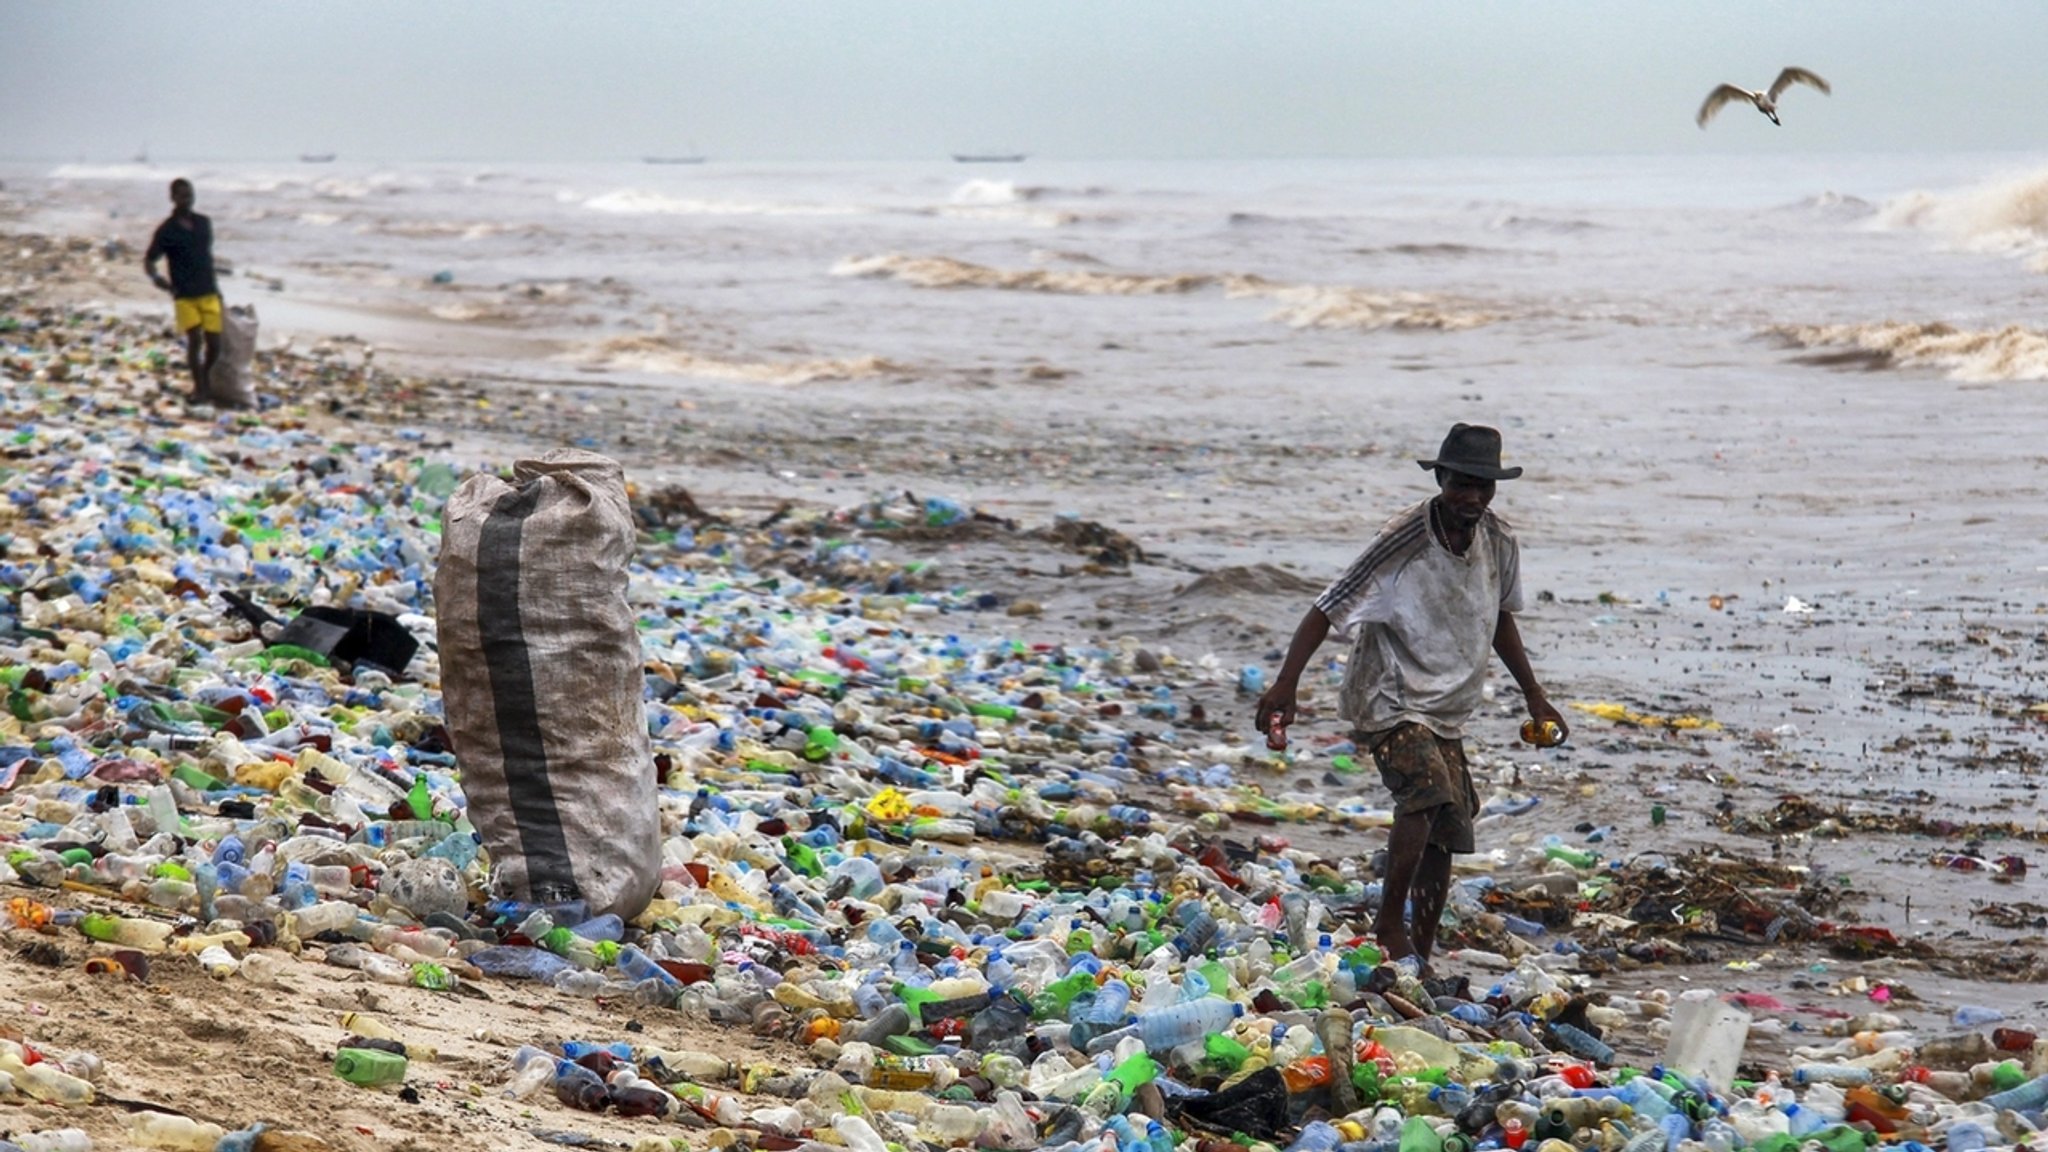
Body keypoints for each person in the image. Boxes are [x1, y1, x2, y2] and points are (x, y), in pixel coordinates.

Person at [1255, 422, 1566, 970]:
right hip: (1389, 694)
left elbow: (1499, 620)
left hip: (1447, 706)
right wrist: (1286, 684)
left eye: (1483, 487)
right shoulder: (1407, 536)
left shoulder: (1499, 541)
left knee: (1450, 826)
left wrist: (1535, 696)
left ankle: (1418, 953)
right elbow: (1328, 606)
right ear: (1441, 478)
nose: (1471, 497)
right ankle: (1388, 925)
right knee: (1424, 792)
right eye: (1461, 484)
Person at [143, 178, 222, 403]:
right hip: (184, 294)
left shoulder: (204, 223)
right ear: (173, 198)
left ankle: (204, 378)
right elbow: (149, 260)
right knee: (195, 341)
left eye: (189, 195)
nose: (186, 199)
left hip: (208, 290)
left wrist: (218, 290)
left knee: (215, 344)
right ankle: (200, 389)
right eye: (182, 196)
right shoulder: (167, 230)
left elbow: (207, 257)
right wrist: (156, 278)